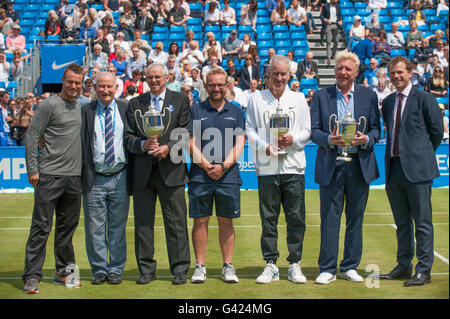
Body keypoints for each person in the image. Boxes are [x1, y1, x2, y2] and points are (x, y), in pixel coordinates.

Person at [310, 51, 381, 285]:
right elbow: (315, 131)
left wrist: (366, 140)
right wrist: (330, 140)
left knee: (355, 219)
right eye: (340, 68)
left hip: (359, 164)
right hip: (332, 163)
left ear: (356, 72)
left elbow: (375, 130)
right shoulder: (321, 95)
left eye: (348, 69)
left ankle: (349, 266)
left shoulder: (369, 96)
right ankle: (328, 267)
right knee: (329, 219)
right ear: (334, 70)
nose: (343, 72)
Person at [246, 55, 311, 284]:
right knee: (268, 219)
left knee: (295, 217)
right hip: (267, 168)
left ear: (289, 74)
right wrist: (266, 147)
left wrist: (292, 138)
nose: (280, 77)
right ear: (268, 73)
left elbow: (306, 131)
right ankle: (271, 264)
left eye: (284, 74)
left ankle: (295, 263)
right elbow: (250, 131)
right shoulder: (256, 99)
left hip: (293, 167)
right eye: (276, 73)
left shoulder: (299, 98)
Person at [124, 63, 191, 285]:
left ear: (166, 77)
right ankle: (146, 269)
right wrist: (143, 144)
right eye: (149, 77)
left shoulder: (180, 100)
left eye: (157, 77)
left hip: (171, 170)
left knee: (177, 224)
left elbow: (185, 132)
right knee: (143, 224)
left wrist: (168, 148)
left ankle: (180, 269)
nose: (153, 81)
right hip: (143, 173)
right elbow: (127, 138)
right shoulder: (135, 103)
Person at [379, 56, 443, 286]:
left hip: (418, 170)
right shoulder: (387, 103)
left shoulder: (424, 98)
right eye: (392, 73)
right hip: (394, 168)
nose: (396, 76)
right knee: (402, 223)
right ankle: (404, 265)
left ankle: (424, 270)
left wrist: (420, 155)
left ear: (410, 72)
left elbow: (436, 132)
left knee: (422, 223)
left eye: (400, 72)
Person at [22, 63, 84, 294]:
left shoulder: (82, 107)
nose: (73, 86)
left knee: (67, 230)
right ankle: (31, 276)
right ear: (63, 81)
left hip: (74, 178)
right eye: (70, 82)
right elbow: (32, 137)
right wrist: (33, 170)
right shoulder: (48, 105)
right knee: (41, 228)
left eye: (78, 83)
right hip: (48, 176)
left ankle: (64, 272)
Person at [188, 68, 245, 284]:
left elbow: (240, 142)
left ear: (227, 85)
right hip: (200, 176)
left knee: (226, 221)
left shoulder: (236, 111)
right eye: (212, 84)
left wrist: (223, 166)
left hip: (228, 175)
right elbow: (190, 142)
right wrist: (206, 165)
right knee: (200, 221)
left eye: (220, 84)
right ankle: (200, 266)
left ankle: (228, 266)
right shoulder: (195, 110)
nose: (216, 88)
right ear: (206, 85)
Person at [81, 71, 130, 285]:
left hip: (120, 175)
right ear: (94, 87)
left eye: (109, 86)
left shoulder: (126, 109)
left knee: (118, 227)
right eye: (101, 86)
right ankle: (99, 269)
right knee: (94, 228)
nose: (106, 90)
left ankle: (116, 269)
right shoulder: (86, 111)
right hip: (95, 178)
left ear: (116, 87)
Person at [321, 0, 342, 64]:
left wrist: (340, 20)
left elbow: (340, 15)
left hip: (336, 24)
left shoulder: (338, 6)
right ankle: (328, 57)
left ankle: (333, 54)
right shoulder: (325, 6)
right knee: (328, 41)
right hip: (328, 25)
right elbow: (321, 16)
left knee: (336, 41)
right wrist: (326, 20)